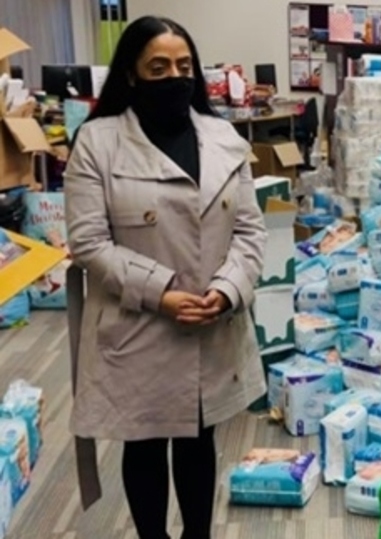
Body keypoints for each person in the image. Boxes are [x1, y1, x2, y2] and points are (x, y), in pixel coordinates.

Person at [64, 16, 267, 539]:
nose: (174, 76)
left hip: (210, 322)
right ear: (131, 74)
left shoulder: (223, 137)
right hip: (139, 324)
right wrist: (163, 294)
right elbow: (88, 242)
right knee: (145, 443)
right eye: (158, 67)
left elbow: (249, 231)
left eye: (184, 66)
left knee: (200, 441)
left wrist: (224, 292)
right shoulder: (97, 142)